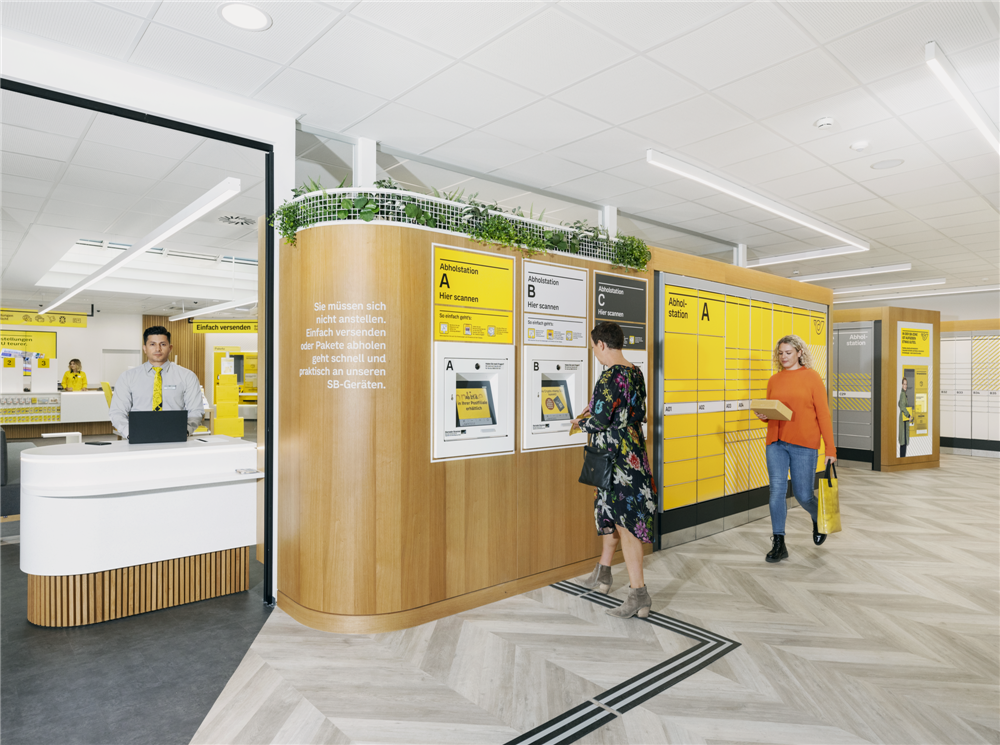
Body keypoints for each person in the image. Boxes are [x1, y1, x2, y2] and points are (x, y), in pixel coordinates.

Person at [570, 321, 657, 619]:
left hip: (614, 459)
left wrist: (580, 422)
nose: (594, 352)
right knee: (611, 514)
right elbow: (635, 412)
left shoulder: (609, 377)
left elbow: (600, 420)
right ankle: (603, 574)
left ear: (602, 345)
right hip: (632, 454)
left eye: (594, 347)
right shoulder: (636, 372)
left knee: (626, 524)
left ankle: (638, 594)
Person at [755, 334, 836, 563]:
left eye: (788, 353)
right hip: (776, 443)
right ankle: (779, 542)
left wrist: (830, 449)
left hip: (804, 444)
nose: (783, 357)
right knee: (776, 491)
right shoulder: (774, 380)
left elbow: (823, 415)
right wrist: (764, 416)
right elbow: (775, 411)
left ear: (800, 353)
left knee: (803, 495)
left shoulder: (812, 378)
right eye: (780, 353)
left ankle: (819, 517)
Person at [109, 326, 203, 440]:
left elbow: (196, 411)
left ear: (170, 348)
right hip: (138, 436)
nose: (158, 349)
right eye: (152, 344)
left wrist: (185, 432)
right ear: (145, 348)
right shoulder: (128, 377)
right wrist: (131, 433)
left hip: (175, 437)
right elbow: (117, 412)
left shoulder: (187, 376)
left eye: (163, 344)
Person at [898, 377, 910, 458]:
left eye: (906, 384)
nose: (905, 386)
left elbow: (899, 404)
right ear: (902, 384)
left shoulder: (903, 394)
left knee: (903, 440)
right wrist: (908, 415)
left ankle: (902, 458)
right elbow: (902, 406)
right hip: (904, 419)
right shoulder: (903, 394)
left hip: (903, 418)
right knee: (904, 441)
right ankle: (902, 459)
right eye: (904, 384)